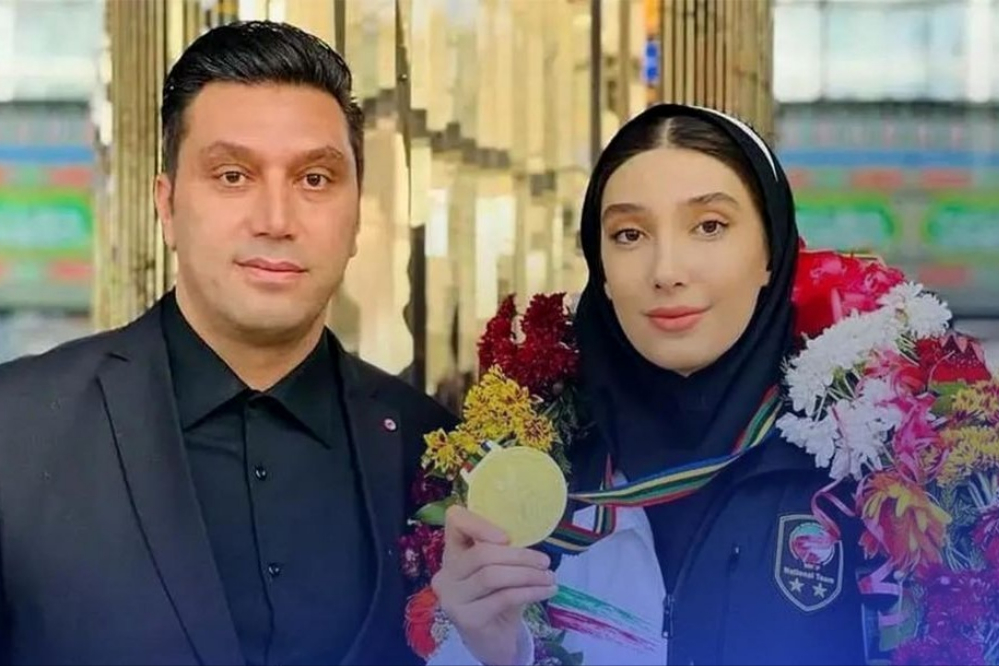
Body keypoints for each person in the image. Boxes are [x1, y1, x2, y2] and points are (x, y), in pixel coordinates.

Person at [0, 21, 454, 666]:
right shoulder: (17, 429)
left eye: (315, 179)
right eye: (234, 175)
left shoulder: (432, 448)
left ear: (357, 213)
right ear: (166, 206)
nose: (276, 220)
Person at [428, 104, 873, 665]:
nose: (666, 271)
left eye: (709, 226)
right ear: (602, 270)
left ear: (772, 250)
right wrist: (489, 651)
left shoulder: (869, 462)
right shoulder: (539, 469)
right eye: (629, 234)